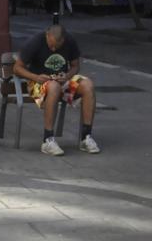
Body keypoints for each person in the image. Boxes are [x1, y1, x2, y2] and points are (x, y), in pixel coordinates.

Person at [13, 23, 99, 156]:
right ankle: (48, 139)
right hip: (38, 83)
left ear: (63, 40)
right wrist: (36, 77)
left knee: (88, 85)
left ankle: (86, 137)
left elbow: (75, 66)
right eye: (51, 45)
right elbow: (17, 68)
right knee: (53, 86)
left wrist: (67, 76)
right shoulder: (36, 41)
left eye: (57, 47)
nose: (53, 49)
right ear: (47, 35)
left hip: (62, 81)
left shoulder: (69, 41)